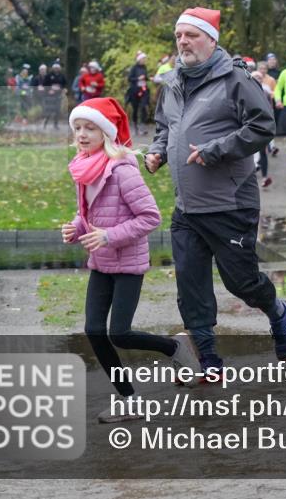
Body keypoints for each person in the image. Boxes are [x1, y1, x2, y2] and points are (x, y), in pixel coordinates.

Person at [146, 6, 286, 378]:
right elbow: (167, 126)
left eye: (191, 35)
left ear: (211, 40)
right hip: (187, 207)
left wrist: (215, 150)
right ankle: (209, 360)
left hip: (230, 203)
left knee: (242, 283)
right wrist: (158, 150)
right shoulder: (173, 82)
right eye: (178, 35)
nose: (183, 41)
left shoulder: (236, 80)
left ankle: (279, 312)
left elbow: (262, 127)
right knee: (191, 286)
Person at [62, 97, 200, 421]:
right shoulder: (85, 165)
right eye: (77, 128)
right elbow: (92, 213)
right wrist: (77, 226)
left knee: (118, 333)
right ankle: (130, 400)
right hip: (101, 261)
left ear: (106, 133)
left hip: (127, 263)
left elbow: (150, 217)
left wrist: (108, 236)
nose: (81, 134)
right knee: (95, 330)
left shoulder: (122, 169)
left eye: (89, 128)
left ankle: (175, 348)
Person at [245, 58, 274, 188]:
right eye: (255, 77)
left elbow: (271, 106)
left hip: (263, 124)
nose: (258, 79)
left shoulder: (266, 89)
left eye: (260, 78)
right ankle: (249, 174)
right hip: (248, 124)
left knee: (263, 152)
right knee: (250, 151)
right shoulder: (245, 89)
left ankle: (265, 177)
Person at [126, 52, 149, 130]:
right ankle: (135, 124)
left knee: (143, 106)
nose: (144, 60)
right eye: (143, 59)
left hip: (143, 89)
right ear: (139, 59)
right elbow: (129, 79)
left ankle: (142, 124)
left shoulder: (144, 67)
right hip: (135, 90)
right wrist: (138, 78)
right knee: (135, 108)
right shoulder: (134, 68)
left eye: (144, 59)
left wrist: (147, 78)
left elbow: (145, 77)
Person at [42, 61, 68, 129]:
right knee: (49, 110)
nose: (56, 69)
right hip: (50, 95)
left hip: (58, 95)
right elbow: (44, 85)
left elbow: (65, 84)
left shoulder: (62, 76)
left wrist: (64, 89)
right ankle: (45, 123)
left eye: (57, 67)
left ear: (59, 68)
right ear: (53, 68)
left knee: (57, 110)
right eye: (55, 67)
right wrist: (49, 90)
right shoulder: (48, 75)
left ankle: (55, 125)